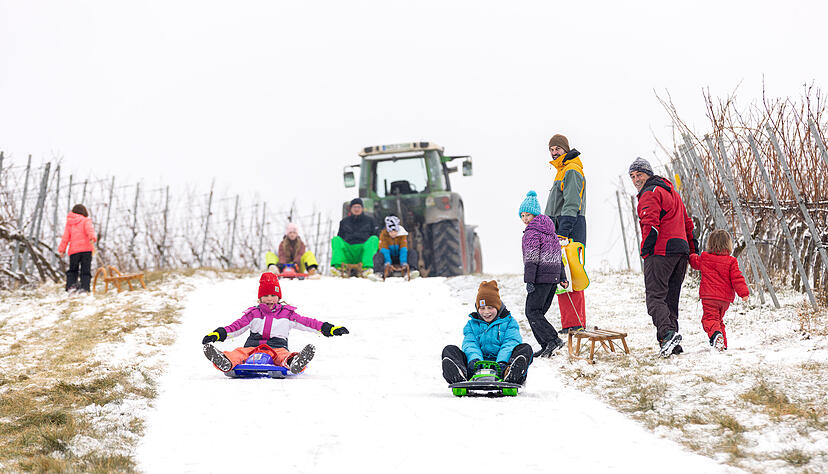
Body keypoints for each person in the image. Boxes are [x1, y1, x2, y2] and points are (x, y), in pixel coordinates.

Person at [201, 272, 349, 374]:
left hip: (277, 347)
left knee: (282, 356)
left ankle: (295, 361)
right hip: (253, 347)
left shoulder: (288, 314)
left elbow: (308, 323)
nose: (270, 299)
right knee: (240, 353)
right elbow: (236, 327)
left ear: (278, 297)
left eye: (273, 295)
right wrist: (218, 334)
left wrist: (329, 329)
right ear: (260, 298)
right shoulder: (253, 314)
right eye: (265, 295)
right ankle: (225, 361)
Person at [629, 157, 697, 358]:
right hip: (680, 253)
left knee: (655, 297)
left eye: (639, 174)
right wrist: (693, 250)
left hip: (661, 251)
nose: (635, 179)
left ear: (648, 174)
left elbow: (650, 225)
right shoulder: (673, 193)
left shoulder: (650, 193)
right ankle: (672, 343)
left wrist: (646, 250)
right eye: (632, 176)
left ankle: (666, 336)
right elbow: (687, 225)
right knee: (670, 299)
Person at [441, 280, 533, 385]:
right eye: (482, 308)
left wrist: (501, 362)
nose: (486, 312)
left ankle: (511, 374)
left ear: (498, 307)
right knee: (449, 350)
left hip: (502, 367)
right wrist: (475, 361)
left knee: (525, 348)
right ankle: (460, 375)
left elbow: (511, 342)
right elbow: (470, 344)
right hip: (475, 367)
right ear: (477, 308)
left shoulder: (509, 322)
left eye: (490, 307)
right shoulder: (471, 325)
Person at [544, 134, 587, 333]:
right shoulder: (561, 170)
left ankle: (576, 323)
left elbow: (571, 203)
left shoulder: (571, 170)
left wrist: (563, 231)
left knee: (571, 275)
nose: (554, 152)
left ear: (565, 149)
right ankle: (569, 324)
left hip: (568, 226)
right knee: (560, 277)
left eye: (557, 148)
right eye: (551, 149)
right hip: (558, 227)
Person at [520, 191, 568, 358]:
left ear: (535, 214)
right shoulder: (551, 232)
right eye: (523, 215)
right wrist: (562, 277)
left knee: (532, 311)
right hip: (552, 279)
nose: (525, 219)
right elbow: (558, 256)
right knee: (538, 312)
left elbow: (531, 259)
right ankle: (547, 344)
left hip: (540, 278)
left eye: (528, 215)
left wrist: (529, 280)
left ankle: (553, 340)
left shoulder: (532, 233)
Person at [688, 229, 749, 351]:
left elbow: (694, 262)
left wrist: (689, 254)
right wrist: (744, 293)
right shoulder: (731, 261)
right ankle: (722, 345)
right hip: (724, 300)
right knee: (718, 320)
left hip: (709, 297)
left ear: (710, 244)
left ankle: (716, 336)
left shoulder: (705, 257)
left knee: (709, 319)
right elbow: (737, 278)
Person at [330, 198, 379, 277]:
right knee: (336, 240)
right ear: (350, 209)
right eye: (354, 207)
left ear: (362, 208)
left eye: (358, 207)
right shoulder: (344, 222)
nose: (356, 209)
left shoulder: (370, 221)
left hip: (363, 252)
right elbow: (340, 238)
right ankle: (338, 267)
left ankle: (366, 268)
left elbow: (375, 238)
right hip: (348, 251)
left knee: (374, 239)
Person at [58, 204, 97, 293]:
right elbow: (90, 230)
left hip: (74, 251)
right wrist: (92, 238)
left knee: (73, 270)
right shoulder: (86, 220)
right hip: (86, 250)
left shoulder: (70, 223)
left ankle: (71, 287)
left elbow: (65, 237)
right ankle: (84, 288)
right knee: (85, 270)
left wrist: (62, 250)